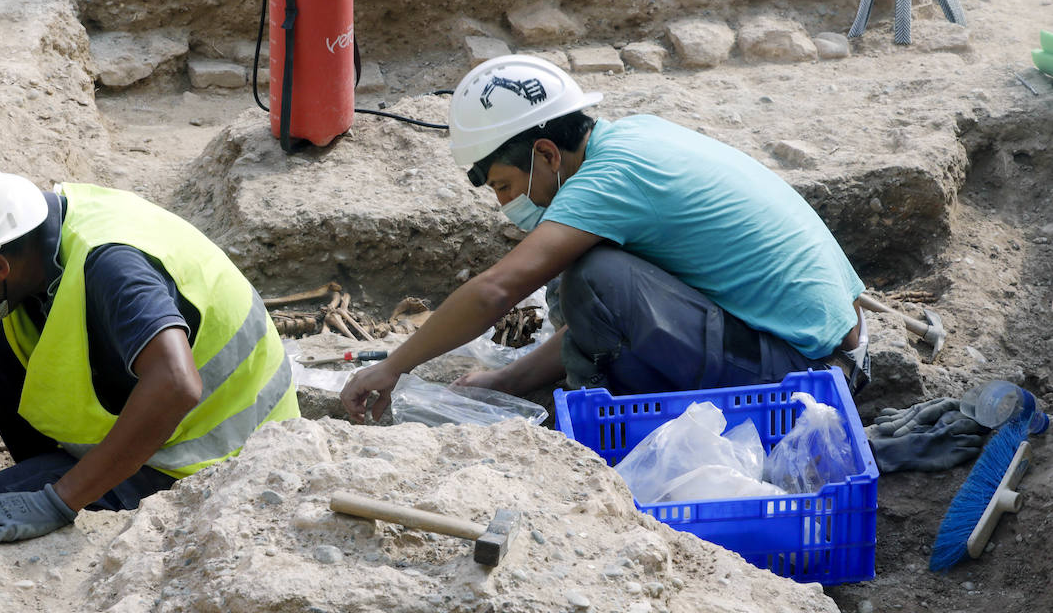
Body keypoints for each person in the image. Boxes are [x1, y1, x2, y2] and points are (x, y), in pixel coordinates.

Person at [341, 54, 869, 422]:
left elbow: (495, 291)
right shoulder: (632, 136)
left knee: (590, 277)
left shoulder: (608, 182)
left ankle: (600, 422)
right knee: (584, 271)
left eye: (505, 184)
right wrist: (506, 382)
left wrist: (392, 367)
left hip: (807, 382)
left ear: (547, 154)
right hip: (829, 353)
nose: (505, 203)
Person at [0, 150, 299, 545]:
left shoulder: (112, 266)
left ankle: (68, 483)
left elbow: (175, 383)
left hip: (213, 453)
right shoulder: (37, 241)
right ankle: (66, 474)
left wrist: (55, 500)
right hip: (155, 413)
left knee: (4, 494)